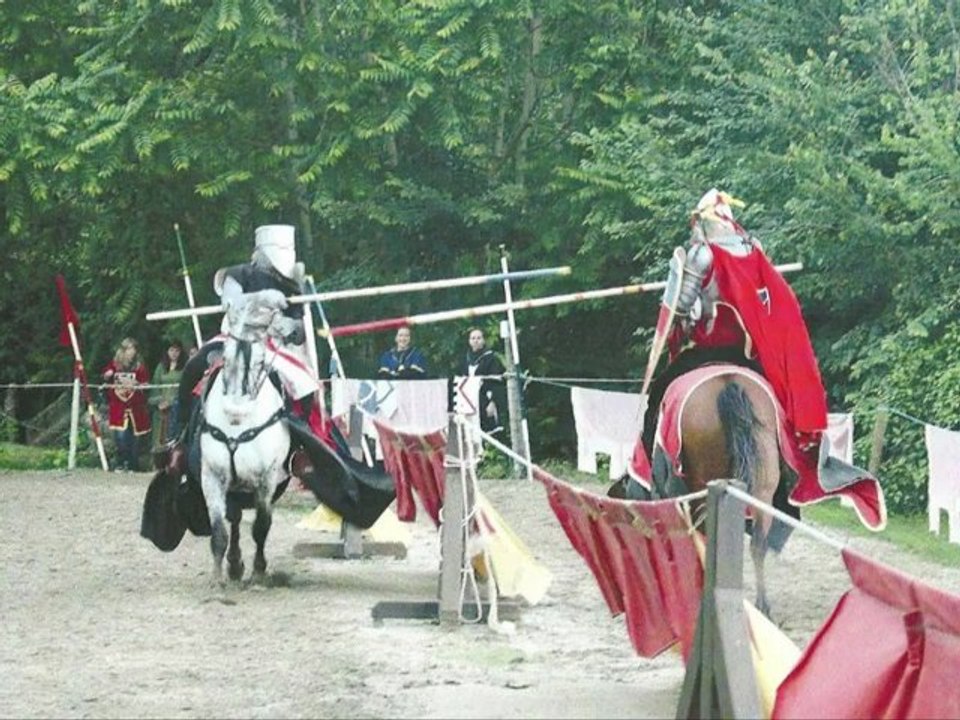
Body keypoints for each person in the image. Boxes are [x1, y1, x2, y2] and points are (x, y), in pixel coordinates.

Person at [639, 188, 827, 465]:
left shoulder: (700, 255)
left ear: (701, 221)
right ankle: (788, 492)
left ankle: (645, 477)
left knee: (656, 400)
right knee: (781, 412)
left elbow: (680, 310)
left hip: (704, 353)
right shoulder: (754, 250)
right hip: (748, 357)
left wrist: (677, 299)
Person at [167, 224, 332, 459]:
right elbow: (231, 303)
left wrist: (291, 328)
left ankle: (300, 449)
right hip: (233, 337)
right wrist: (261, 298)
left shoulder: (293, 286)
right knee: (194, 367)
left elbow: (300, 329)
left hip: (274, 346)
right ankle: (178, 437)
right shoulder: (239, 273)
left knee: (305, 385)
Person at [102, 337, 152, 472]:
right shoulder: (114, 365)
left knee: (135, 438)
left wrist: (138, 385)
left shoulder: (139, 366)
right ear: (123, 350)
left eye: (134, 349)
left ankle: (133, 465)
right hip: (119, 407)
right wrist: (108, 375)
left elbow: (146, 385)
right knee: (121, 437)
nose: (132, 352)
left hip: (136, 407)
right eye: (129, 349)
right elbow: (106, 378)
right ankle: (121, 462)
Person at [450, 327, 507, 434]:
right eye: (473, 338)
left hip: (485, 402)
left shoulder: (492, 359)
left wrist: (493, 402)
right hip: (467, 404)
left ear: (483, 340)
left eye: (478, 338)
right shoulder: (464, 360)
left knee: (489, 433)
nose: (476, 340)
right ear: (469, 341)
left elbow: (497, 383)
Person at [148, 339, 185, 449]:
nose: (174, 353)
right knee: (159, 436)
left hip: (177, 407)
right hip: (161, 407)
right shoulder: (161, 367)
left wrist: (172, 401)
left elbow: (185, 388)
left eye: (177, 351)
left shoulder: (184, 367)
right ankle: (159, 461)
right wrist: (159, 401)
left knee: (174, 436)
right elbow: (155, 386)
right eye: (171, 350)